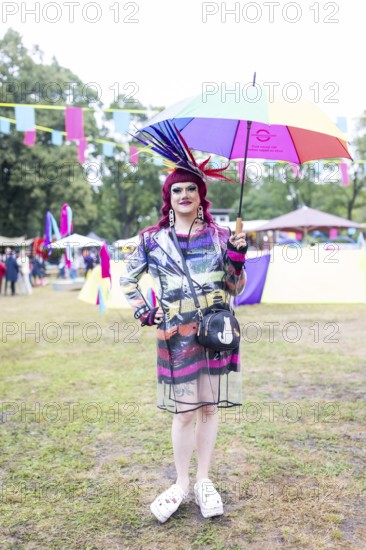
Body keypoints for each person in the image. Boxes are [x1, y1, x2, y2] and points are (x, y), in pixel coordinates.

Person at [120, 130, 247, 523]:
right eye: (178, 191)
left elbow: (234, 287)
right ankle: (179, 483)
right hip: (176, 336)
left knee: (209, 408)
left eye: (192, 189)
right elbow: (127, 280)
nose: (185, 195)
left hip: (215, 333)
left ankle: (205, 480)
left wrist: (238, 259)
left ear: (201, 195)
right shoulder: (152, 241)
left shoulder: (222, 237)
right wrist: (146, 311)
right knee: (184, 412)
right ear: (169, 197)